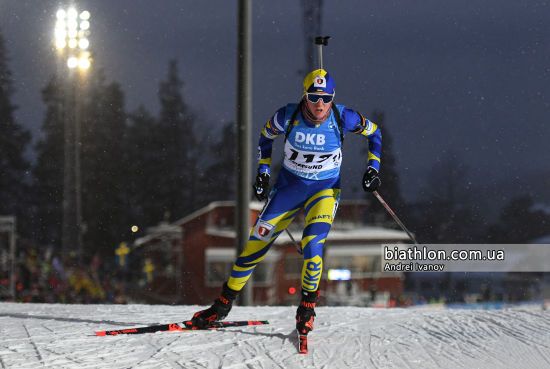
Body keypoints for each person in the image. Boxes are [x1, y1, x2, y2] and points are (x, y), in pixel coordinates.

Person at [191, 69, 382, 336]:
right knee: (254, 245)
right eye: (314, 97)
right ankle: (221, 306)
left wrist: (373, 168)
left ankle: (306, 309)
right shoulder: (287, 116)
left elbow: (375, 134)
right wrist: (263, 172)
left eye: (326, 98)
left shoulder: (344, 116)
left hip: (324, 190)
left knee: (312, 244)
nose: (320, 104)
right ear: (304, 95)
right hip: (289, 189)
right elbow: (265, 137)